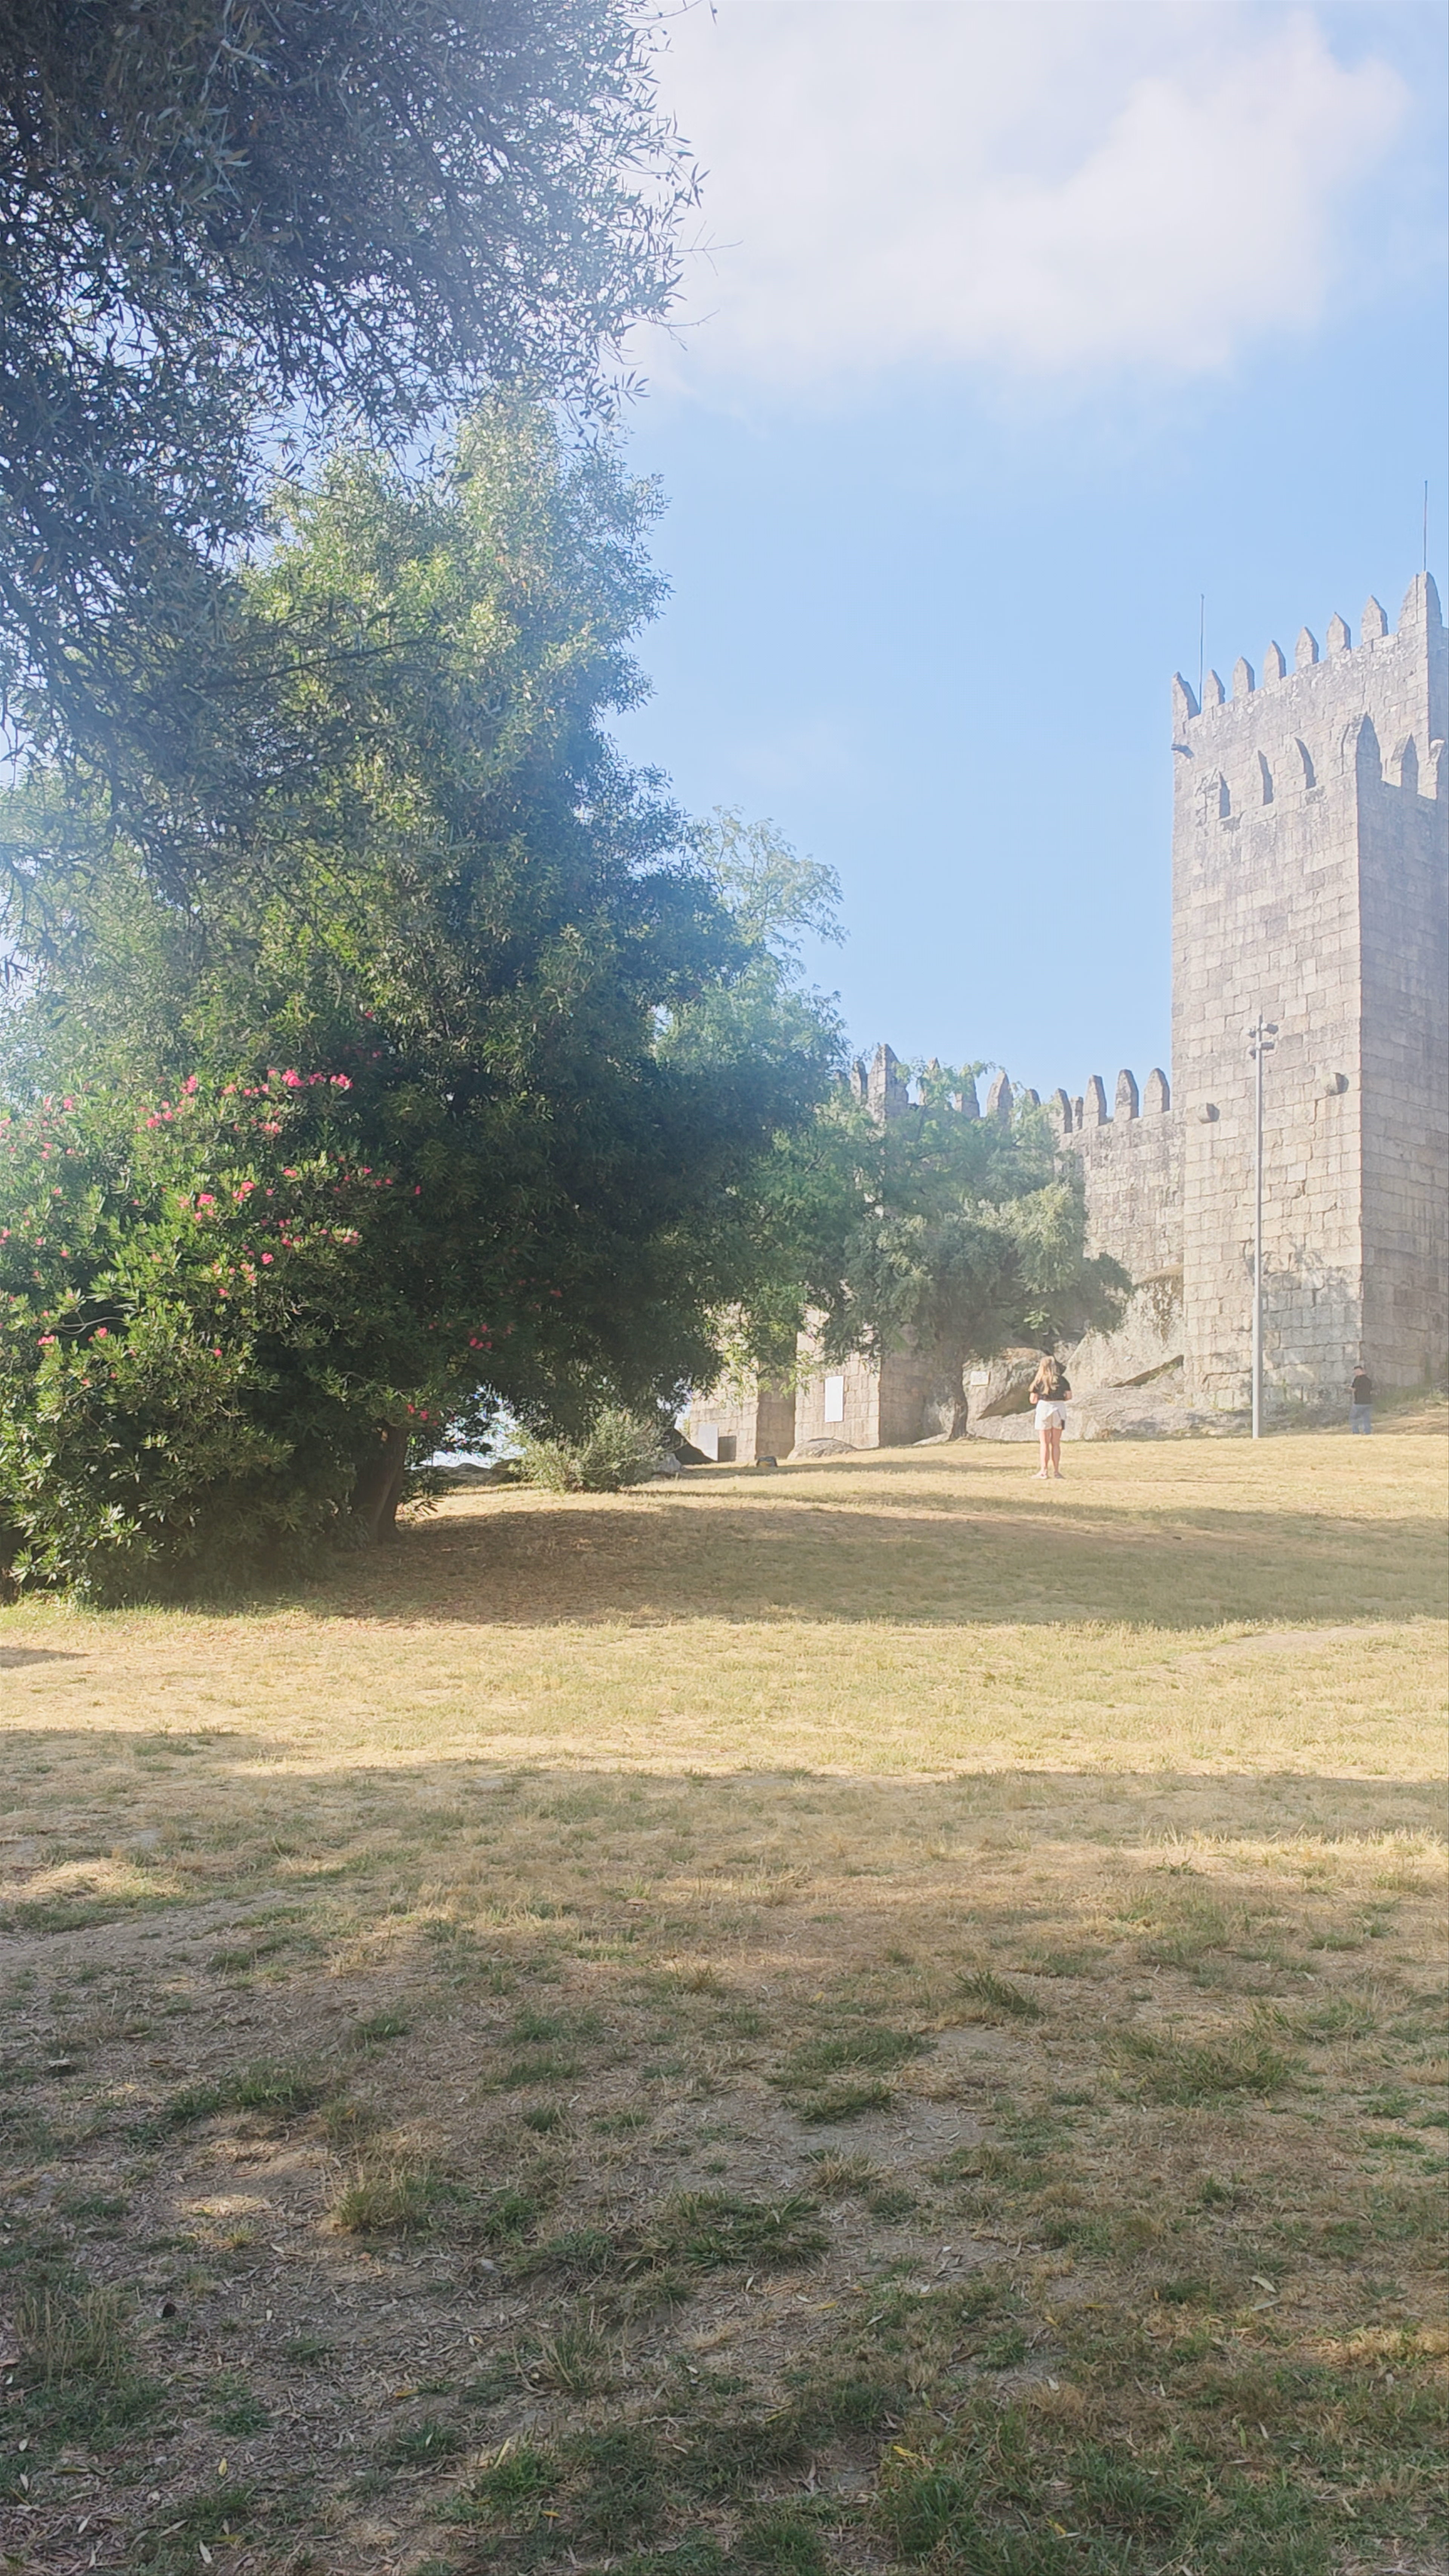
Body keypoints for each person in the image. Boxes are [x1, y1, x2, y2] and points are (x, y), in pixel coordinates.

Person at [1030, 1354, 1071, 1479]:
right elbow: (1069, 1396)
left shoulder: (1039, 1381)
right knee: (1056, 1443)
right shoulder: (1062, 1380)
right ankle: (1057, 1472)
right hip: (1059, 1409)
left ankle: (1044, 1471)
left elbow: (1033, 1399)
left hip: (1044, 1408)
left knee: (1044, 1443)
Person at [1349, 1365, 1372, 1435]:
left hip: (1359, 1402)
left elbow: (1355, 1389)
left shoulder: (1358, 1380)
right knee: (1366, 1418)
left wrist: (1351, 1389)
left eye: (1357, 1372)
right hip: (1369, 1402)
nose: (1356, 1373)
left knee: (1354, 1417)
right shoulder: (1369, 1380)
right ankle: (1367, 1431)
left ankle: (1356, 1431)